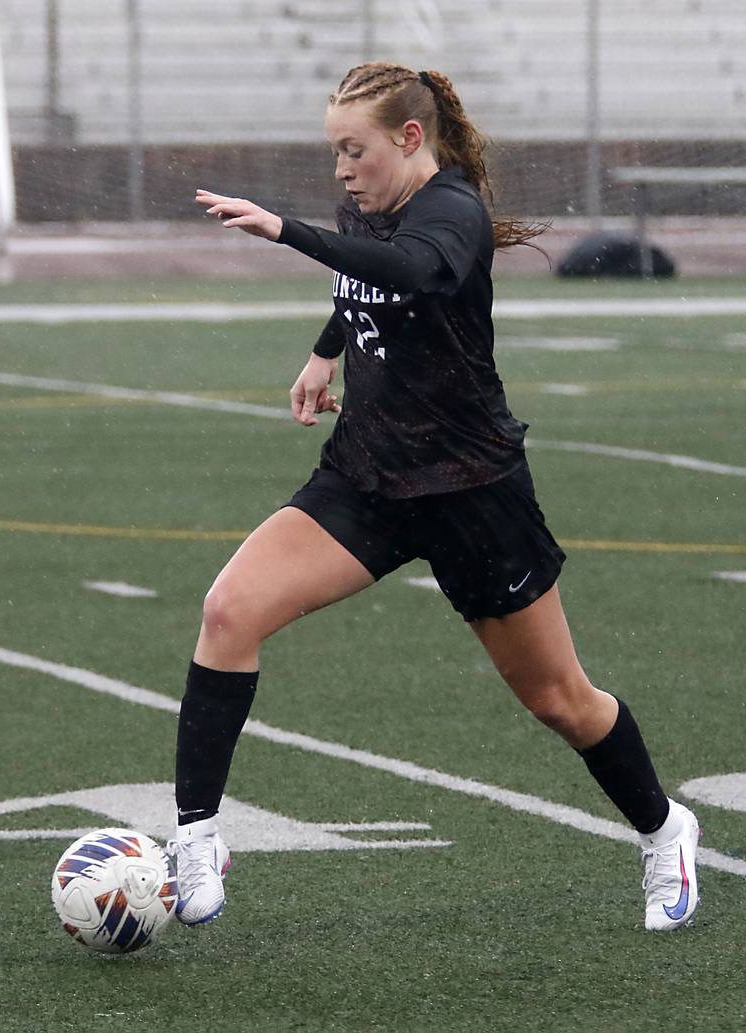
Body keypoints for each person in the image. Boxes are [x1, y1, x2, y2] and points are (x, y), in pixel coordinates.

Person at [171, 63, 699, 932]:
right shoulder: (367, 204)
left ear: (410, 139)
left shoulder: (452, 214)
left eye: (355, 149)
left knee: (560, 699)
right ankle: (196, 837)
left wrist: (285, 233)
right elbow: (366, 282)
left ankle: (664, 827)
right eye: (333, 151)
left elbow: (411, 271)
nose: (342, 169)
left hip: (471, 490)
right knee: (229, 611)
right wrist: (325, 349)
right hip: (367, 477)